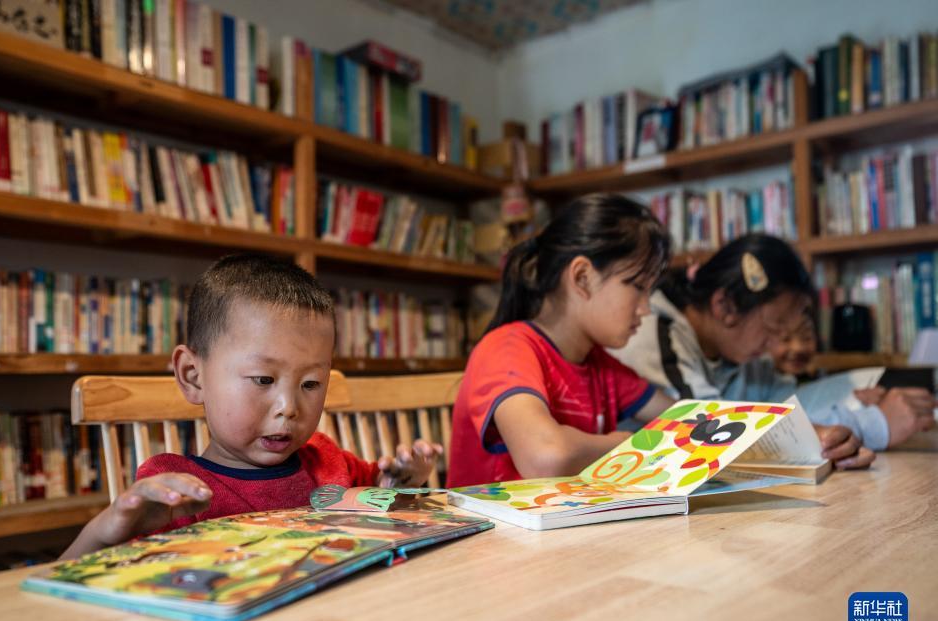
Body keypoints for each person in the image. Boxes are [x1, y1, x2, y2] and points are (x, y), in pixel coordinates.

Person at [62, 254, 439, 559]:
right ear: (193, 376)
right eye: (263, 379)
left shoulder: (326, 460)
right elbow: (72, 580)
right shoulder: (174, 489)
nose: (289, 407)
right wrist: (104, 531)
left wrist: (401, 483)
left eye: (310, 384)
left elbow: (379, 497)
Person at [447, 194, 680, 487]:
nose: (646, 309)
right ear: (582, 277)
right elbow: (546, 456)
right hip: (497, 518)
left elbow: (687, 421)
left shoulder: (600, 366)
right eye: (638, 287)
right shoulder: (505, 350)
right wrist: (629, 443)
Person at [611, 234, 884, 467]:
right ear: (724, 307)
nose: (776, 346)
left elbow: (784, 407)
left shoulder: (736, 345)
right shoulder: (653, 337)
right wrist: (873, 425)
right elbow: (705, 434)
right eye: (774, 327)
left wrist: (852, 407)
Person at [769, 307, 937, 446]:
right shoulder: (762, 379)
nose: (798, 347)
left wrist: (860, 405)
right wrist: (875, 421)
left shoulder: (785, 383)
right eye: (785, 339)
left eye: (807, 337)